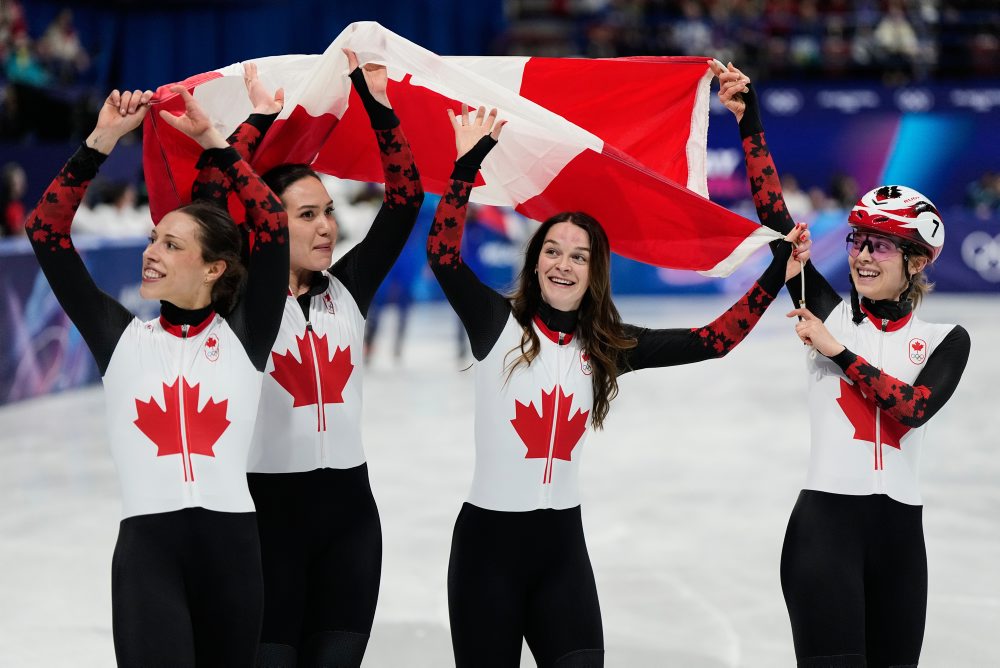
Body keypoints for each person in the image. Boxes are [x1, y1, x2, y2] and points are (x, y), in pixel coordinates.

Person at [427, 105, 808, 668]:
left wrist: (778, 272)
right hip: (487, 555)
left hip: (562, 554)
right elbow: (443, 255)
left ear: (594, 271)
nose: (563, 264)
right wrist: (468, 164)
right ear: (534, 264)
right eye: (552, 251)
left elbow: (714, 340)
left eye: (578, 256)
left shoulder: (606, 345)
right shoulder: (497, 326)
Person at [713, 61, 971, 667]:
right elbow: (776, 219)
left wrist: (838, 352)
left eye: (880, 245)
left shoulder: (945, 339)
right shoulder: (827, 312)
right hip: (824, 534)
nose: (861, 255)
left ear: (917, 262)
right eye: (857, 241)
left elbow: (911, 411)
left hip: (901, 545)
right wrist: (748, 117)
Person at [24, 85, 288, 666]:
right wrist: (102, 141)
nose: (152, 253)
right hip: (149, 556)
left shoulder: (244, 336)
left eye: (171, 244)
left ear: (214, 267)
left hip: (234, 553)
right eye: (152, 240)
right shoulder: (121, 339)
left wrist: (214, 142)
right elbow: (45, 231)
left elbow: (271, 224)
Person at [191, 51, 424, 667]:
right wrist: (258, 121)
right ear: (270, 222)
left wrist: (376, 105)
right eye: (307, 215)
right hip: (268, 526)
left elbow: (405, 198)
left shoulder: (348, 290)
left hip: (352, 521)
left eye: (328, 212)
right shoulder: (237, 301)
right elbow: (210, 204)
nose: (327, 227)